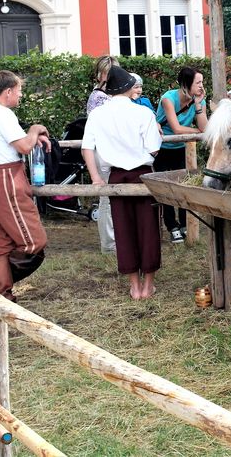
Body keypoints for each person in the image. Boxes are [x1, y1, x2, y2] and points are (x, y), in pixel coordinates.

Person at [82, 67, 164, 300]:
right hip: (142, 176)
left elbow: (87, 148)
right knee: (148, 230)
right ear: (128, 88)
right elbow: (154, 148)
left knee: (124, 230)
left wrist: (97, 177)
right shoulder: (143, 113)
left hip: (116, 177)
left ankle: (134, 286)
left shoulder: (98, 114)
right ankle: (148, 285)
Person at [0, 71, 51, 302]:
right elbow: (25, 147)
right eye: (19, 91)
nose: (21, 95)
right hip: (4, 179)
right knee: (33, 243)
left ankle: (0, 296)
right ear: (8, 92)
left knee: (2, 246)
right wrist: (35, 129)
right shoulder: (2, 114)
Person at [155, 67, 208, 243]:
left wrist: (199, 105)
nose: (202, 86)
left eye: (202, 82)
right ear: (186, 84)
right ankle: (172, 226)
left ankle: (186, 223)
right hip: (162, 148)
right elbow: (177, 129)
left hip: (182, 148)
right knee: (166, 187)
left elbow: (205, 129)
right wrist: (195, 132)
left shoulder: (199, 99)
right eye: (198, 83)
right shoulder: (168, 99)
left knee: (185, 185)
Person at [86, 55, 120, 252]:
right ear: (100, 74)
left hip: (114, 150)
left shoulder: (114, 94)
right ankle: (109, 244)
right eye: (107, 71)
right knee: (106, 197)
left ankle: (115, 240)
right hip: (103, 151)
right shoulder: (98, 97)